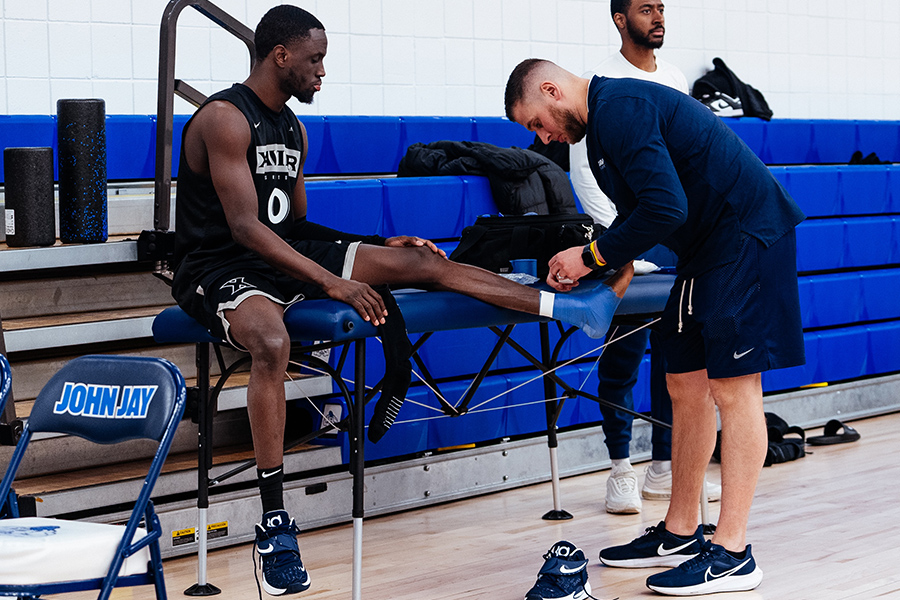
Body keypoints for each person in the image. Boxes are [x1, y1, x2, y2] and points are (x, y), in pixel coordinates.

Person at [172, 6, 633, 596]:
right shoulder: (223, 118)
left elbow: (299, 224)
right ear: (280, 56)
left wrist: (372, 247)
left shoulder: (294, 128)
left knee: (422, 261)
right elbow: (245, 228)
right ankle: (274, 520)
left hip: (283, 250)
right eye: (315, 60)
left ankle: (567, 308)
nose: (322, 72)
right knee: (271, 340)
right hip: (220, 264)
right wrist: (333, 280)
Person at [505, 61, 805, 595]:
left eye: (536, 123)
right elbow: (641, 218)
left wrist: (590, 254)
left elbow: (666, 208)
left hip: (745, 235)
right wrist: (596, 267)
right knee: (683, 382)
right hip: (705, 249)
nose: (543, 136)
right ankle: (680, 532)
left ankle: (734, 552)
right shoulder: (600, 132)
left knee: (734, 390)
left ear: (551, 91)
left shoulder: (621, 110)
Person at [570, 0, 720, 516]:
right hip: (622, 231)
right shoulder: (598, 85)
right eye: (645, 8)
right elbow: (587, 174)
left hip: (672, 226)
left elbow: (683, 159)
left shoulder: (675, 77)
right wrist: (620, 239)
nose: (657, 16)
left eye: (661, 7)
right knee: (623, 352)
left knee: (675, 350)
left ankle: (663, 462)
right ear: (619, 18)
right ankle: (620, 467)